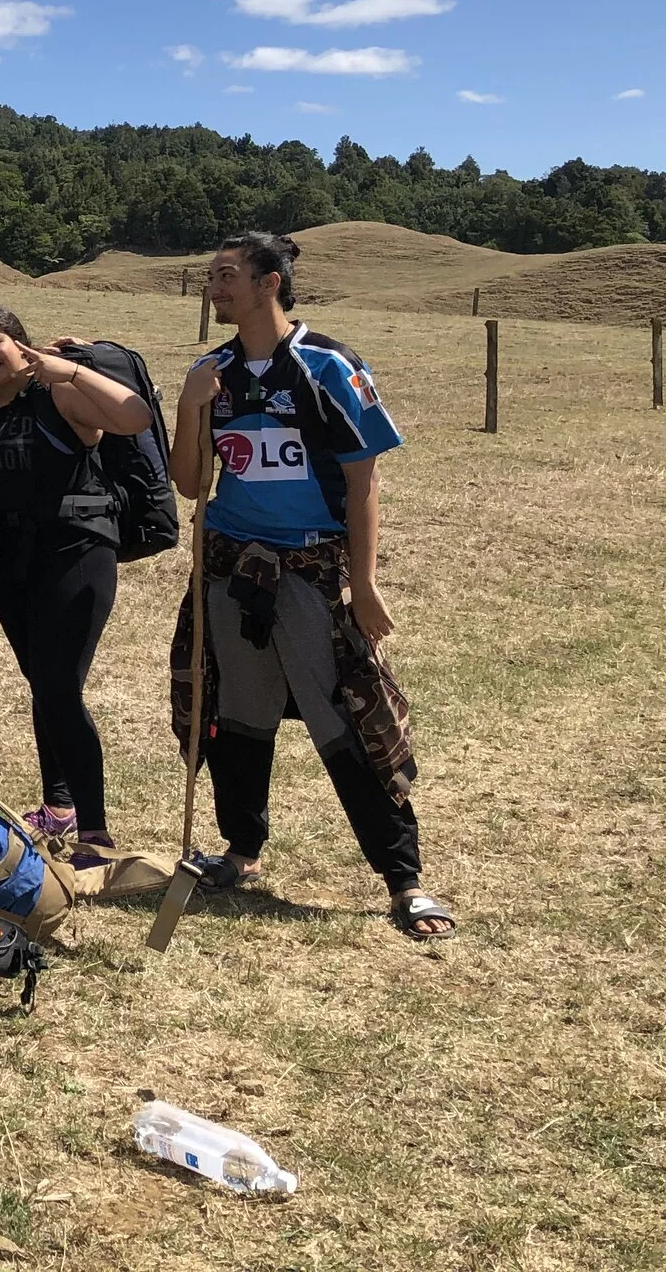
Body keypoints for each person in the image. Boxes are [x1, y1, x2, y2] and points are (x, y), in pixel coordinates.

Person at [171, 231, 454, 940]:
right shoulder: (211, 370)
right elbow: (189, 483)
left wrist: (364, 581)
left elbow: (363, 479)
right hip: (232, 569)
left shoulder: (329, 365)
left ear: (270, 282)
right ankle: (241, 850)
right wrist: (189, 405)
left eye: (228, 273)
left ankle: (403, 878)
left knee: (350, 718)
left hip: (311, 573)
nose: (216, 284)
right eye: (211, 274)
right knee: (235, 713)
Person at [0, 304, 151, 864]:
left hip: (76, 551)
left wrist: (71, 370)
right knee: (44, 684)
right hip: (9, 563)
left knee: (59, 687)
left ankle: (96, 834)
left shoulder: (55, 394)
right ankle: (58, 807)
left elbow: (134, 417)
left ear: (21, 345)